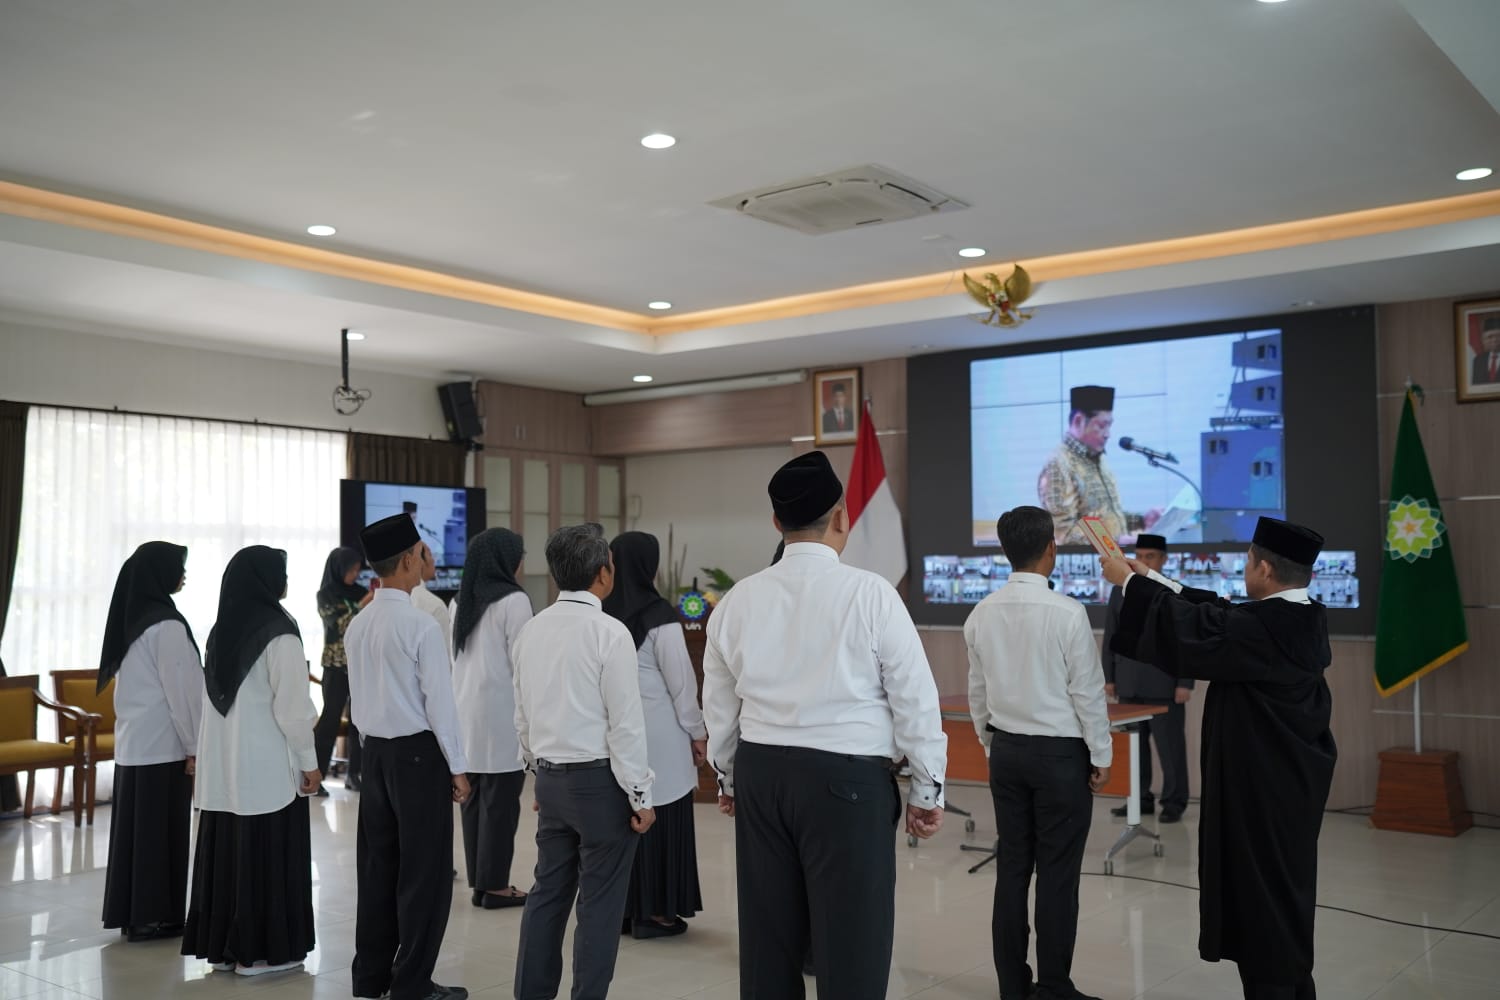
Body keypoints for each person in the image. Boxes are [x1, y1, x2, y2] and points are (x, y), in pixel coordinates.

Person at [703, 450, 947, 1000]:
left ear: (776, 523)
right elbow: (914, 698)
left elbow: (717, 705)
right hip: (847, 785)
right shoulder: (872, 594)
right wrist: (926, 788)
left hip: (762, 777)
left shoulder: (737, 600)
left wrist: (729, 780)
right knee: (851, 945)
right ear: (841, 517)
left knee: (767, 943)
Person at [1101, 516, 1338, 1000]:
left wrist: (1128, 583)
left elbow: (1198, 627)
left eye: (1248, 562)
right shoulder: (1298, 618)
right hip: (1283, 794)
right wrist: (1148, 579)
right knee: (1282, 905)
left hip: (1260, 800)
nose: (1245, 569)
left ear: (1265, 569)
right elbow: (1213, 609)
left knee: (1262, 914)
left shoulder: (1262, 629)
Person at [965, 506, 1111, 1000]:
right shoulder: (1067, 612)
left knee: (1011, 869)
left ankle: (1012, 986)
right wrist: (1101, 754)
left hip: (1007, 751)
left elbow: (978, 693)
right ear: (1051, 549)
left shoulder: (981, 612)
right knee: (1057, 874)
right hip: (1060, 759)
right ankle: (1053, 986)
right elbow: (1086, 693)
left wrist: (991, 744)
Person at [512, 523, 655, 1000]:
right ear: (603, 573)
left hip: (551, 780)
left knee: (547, 894)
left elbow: (522, 715)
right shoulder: (609, 632)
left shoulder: (531, 630)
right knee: (599, 904)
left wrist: (538, 774)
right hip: (601, 785)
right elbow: (625, 725)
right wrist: (641, 795)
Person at [345, 513, 472, 1000]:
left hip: (374, 754)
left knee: (378, 868)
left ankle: (371, 978)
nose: (424, 560)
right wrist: (457, 767)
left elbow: (358, 698)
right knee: (424, 875)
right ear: (406, 561)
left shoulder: (359, 624)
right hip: (418, 758)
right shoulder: (420, 625)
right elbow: (440, 703)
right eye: (420, 553)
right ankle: (412, 984)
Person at [182, 545, 319, 977]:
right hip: (266, 769)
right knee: (266, 855)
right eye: (282, 573)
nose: (286, 581)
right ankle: (258, 954)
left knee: (228, 855)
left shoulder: (220, 632)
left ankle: (225, 950)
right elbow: (293, 710)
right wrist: (310, 762)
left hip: (222, 768)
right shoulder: (281, 633)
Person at [603, 531, 707, 940]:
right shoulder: (659, 614)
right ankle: (656, 913)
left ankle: (626, 910)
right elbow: (681, 684)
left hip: (615, 735)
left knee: (625, 821)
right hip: (660, 736)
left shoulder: (601, 613)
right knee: (663, 820)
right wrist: (697, 732)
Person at [99, 541, 203, 942]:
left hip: (134, 743)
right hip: (163, 745)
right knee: (159, 834)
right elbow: (183, 692)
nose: (184, 575)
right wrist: (194, 745)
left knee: (136, 834)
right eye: (180, 567)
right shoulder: (166, 625)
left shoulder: (135, 620)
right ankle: (155, 916)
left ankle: (135, 914)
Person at [452, 527, 532, 909]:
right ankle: (495, 887)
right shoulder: (514, 601)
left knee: (473, 802)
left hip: (465, 714)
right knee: (501, 805)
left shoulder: (460, 601)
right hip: (502, 716)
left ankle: (481, 884)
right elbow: (524, 664)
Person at [1101, 533, 1193, 823]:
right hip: (1129, 682)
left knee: (1170, 749)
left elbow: (1186, 638)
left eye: (1150, 556)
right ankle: (1139, 799)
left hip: (1164, 683)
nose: (1143, 561)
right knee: (1133, 748)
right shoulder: (1120, 590)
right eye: (1139, 556)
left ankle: (1174, 801)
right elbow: (1111, 634)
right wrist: (1109, 677)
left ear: (1163, 559)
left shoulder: (1171, 590)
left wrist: (1184, 682)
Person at [1038, 385, 1152, 545]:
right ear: (1078, 421)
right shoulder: (1058, 465)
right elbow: (1062, 534)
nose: (1108, 434)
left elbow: (1104, 518)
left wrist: (1142, 520)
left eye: (1110, 425)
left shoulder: (1098, 459)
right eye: (1101, 425)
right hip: (1092, 560)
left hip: (1112, 558)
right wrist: (1114, 542)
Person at [314, 546, 372, 794]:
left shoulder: (361, 591)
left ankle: (354, 775)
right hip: (335, 666)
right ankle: (317, 776)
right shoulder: (325, 595)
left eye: (358, 569)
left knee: (360, 723)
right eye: (351, 569)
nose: (355, 574)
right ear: (339, 569)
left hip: (360, 665)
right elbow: (338, 624)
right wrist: (363, 604)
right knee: (330, 720)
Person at [410, 540, 454, 657]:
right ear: (419, 561)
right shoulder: (435, 605)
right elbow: (443, 658)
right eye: (430, 555)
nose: (433, 560)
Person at [1472, 315, 1500, 385]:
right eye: (1490, 337)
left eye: (1498, 336)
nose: (1494, 340)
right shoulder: (1478, 360)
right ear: (1483, 340)